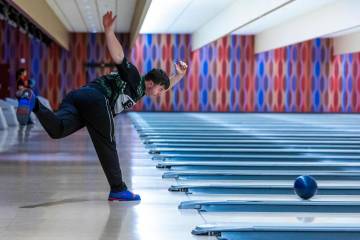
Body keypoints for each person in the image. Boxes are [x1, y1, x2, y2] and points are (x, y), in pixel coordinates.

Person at [16, 11, 188, 201]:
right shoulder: (134, 79)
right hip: (97, 98)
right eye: (159, 89)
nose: (160, 93)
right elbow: (120, 57)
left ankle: (34, 102)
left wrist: (178, 75)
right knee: (107, 141)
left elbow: (166, 84)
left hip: (78, 97)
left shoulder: (139, 90)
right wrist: (108, 32)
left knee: (58, 129)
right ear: (150, 83)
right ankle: (117, 189)